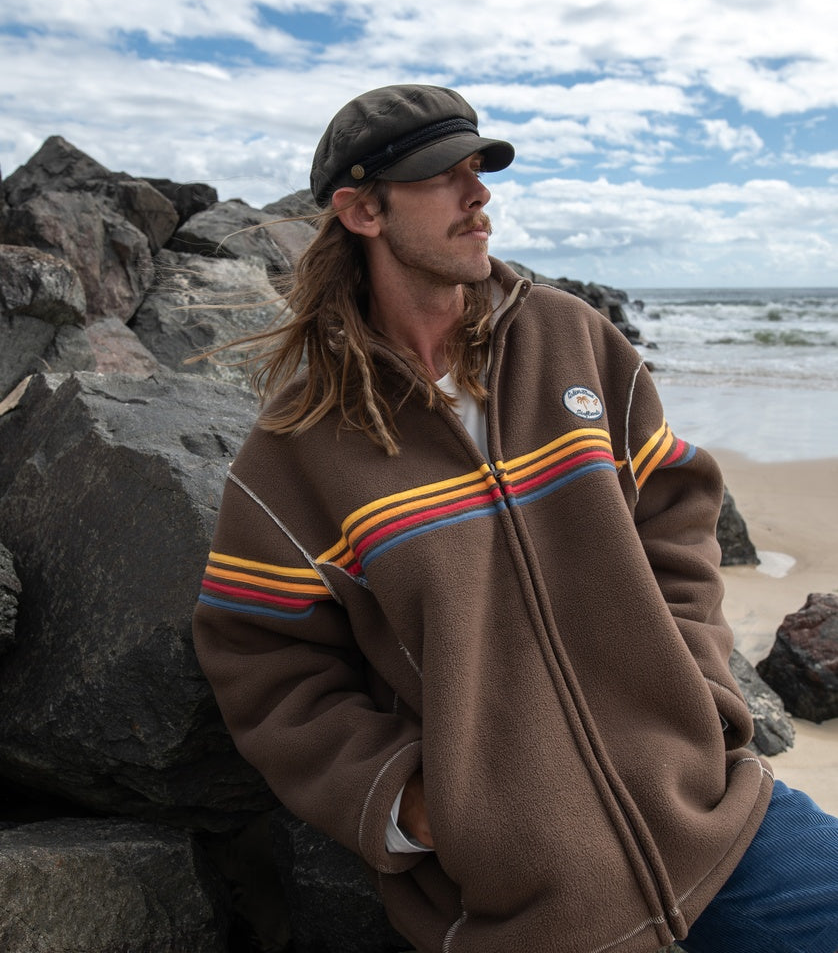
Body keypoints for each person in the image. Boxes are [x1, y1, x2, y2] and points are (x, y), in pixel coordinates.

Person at [192, 84, 838, 953]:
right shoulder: (297, 453)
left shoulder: (571, 338)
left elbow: (678, 507)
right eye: (441, 178)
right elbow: (260, 663)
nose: (479, 196)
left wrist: (696, 678)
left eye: (479, 170)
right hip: (528, 899)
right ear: (360, 210)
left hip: (718, 820)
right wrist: (418, 807)